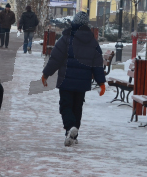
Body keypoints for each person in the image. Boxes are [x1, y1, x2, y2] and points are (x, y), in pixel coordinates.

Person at [41, 11, 106, 146]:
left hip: (66, 80)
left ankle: (70, 127)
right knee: (77, 107)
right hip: (82, 83)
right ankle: (73, 135)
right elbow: (97, 64)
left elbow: (55, 59)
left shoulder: (66, 38)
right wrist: (101, 82)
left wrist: (46, 74)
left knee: (65, 106)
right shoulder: (92, 42)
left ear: (74, 22)